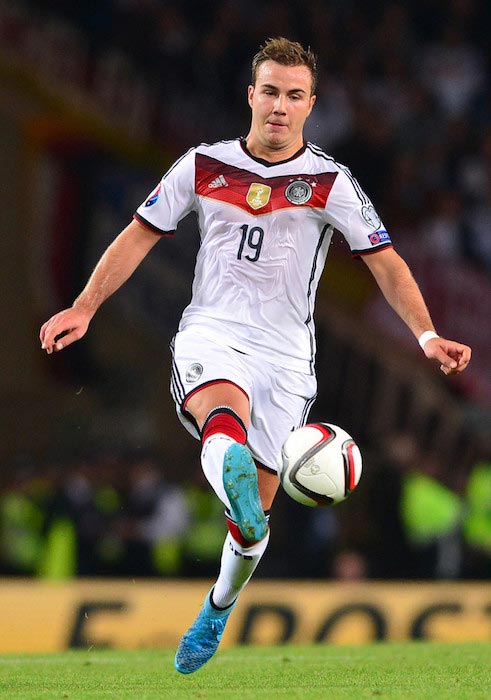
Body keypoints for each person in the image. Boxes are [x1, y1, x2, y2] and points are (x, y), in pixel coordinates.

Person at [39, 38, 472, 673]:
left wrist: (427, 335)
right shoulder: (201, 166)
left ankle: (217, 606)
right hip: (212, 332)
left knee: (252, 529)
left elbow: (386, 263)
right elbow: (138, 235)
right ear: (251, 94)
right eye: (270, 91)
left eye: (294, 96)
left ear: (310, 105)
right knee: (224, 417)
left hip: (288, 360)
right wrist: (84, 305)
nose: (279, 106)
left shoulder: (331, 183)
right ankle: (230, 462)